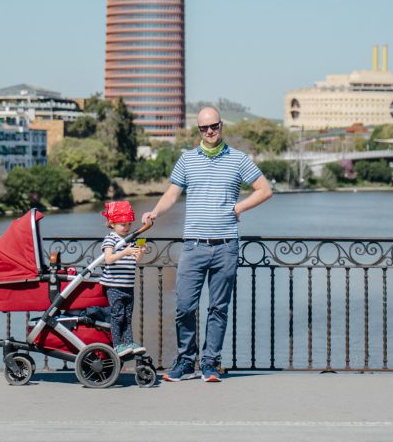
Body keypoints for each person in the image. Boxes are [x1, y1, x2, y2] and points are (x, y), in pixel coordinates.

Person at [142, 107, 272, 382]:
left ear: (221, 126)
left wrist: (238, 207)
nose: (210, 132)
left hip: (226, 245)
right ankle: (186, 361)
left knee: (218, 308)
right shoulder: (187, 160)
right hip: (194, 246)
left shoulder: (238, 159)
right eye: (204, 128)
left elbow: (265, 189)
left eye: (214, 126)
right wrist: (155, 213)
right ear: (198, 130)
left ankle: (210, 362)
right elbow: (171, 194)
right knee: (185, 306)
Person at [100, 200, 145, 358]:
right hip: (113, 285)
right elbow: (108, 259)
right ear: (112, 224)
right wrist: (124, 252)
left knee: (127, 315)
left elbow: (136, 260)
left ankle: (129, 342)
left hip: (128, 284)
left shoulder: (131, 239)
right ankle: (117, 344)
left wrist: (140, 251)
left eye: (128, 225)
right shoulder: (110, 239)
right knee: (117, 315)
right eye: (122, 225)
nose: (126, 228)